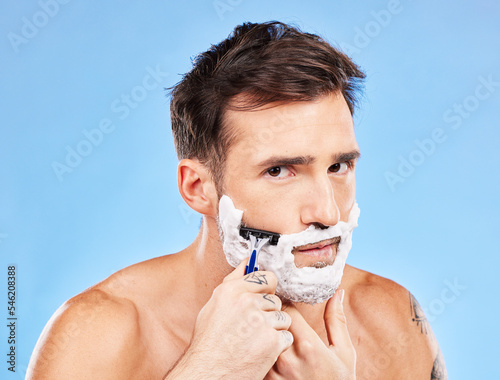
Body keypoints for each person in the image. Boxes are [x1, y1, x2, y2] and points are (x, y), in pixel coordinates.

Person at [27, 21, 447, 379]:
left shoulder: (390, 318)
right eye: (279, 171)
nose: (327, 212)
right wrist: (206, 368)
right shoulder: (100, 337)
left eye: (339, 167)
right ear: (198, 188)